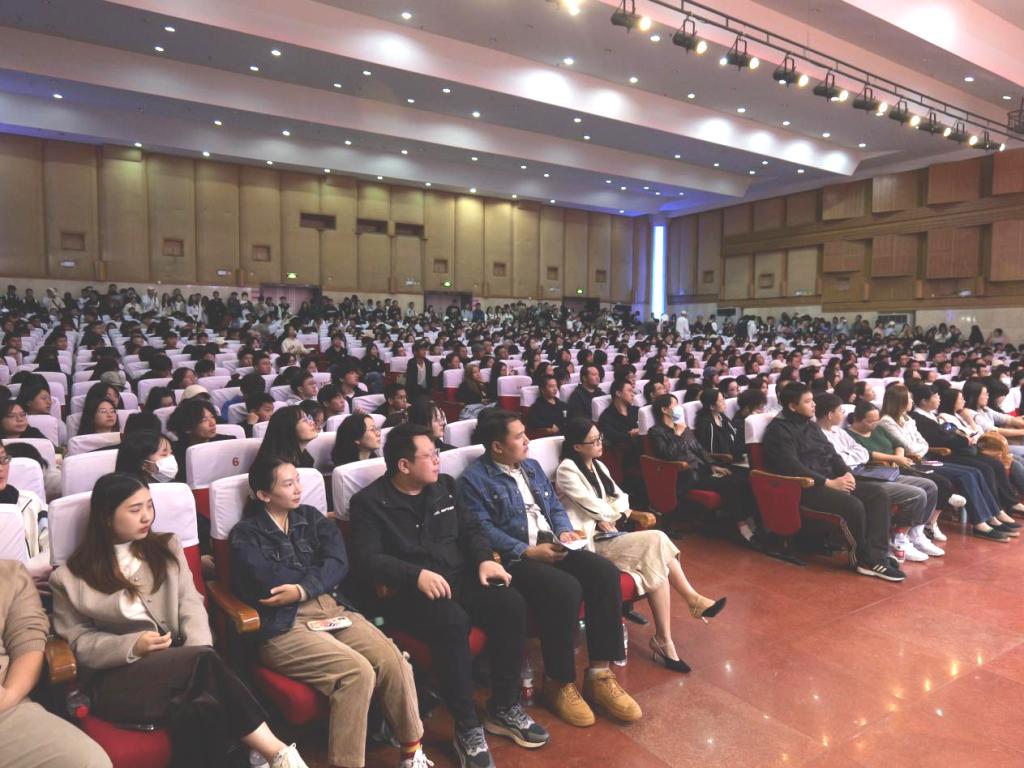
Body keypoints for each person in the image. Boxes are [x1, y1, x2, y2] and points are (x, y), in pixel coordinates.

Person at [50, 473, 307, 768]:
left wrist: (197, 651)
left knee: (201, 706)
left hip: (185, 666)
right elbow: (79, 642)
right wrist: (133, 645)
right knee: (205, 677)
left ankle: (270, 756)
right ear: (106, 517)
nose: (147, 516)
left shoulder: (167, 548)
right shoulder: (69, 578)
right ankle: (277, 753)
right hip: (116, 682)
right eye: (135, 509)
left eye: (149, 505)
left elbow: (191, 604)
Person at [351, 424, 547, 768]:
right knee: (452, 622)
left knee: (510, 603)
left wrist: (484, 559)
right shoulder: (368, 503)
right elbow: (369, 559)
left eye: (436, 453)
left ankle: (503, 706)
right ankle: (467, 727)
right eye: (429, 456)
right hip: (408, 591)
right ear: (404, 465)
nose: (437, 460)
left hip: (457, 577)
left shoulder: (446, 487)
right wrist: (415, 575)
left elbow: (472, 531)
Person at [231, 458, 430, 768]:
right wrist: (317, 577)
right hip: (285, 623)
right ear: (263, 495)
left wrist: (303, 588)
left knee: (393, 660)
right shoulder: (246, 534)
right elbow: (267, 581)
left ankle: (411, 751)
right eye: (288, 484)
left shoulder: (311, 518)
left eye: (297, 480)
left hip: (331, 606)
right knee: (357, 672)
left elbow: (338, 562)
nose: (298, 489)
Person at [459, 410, 642, 727]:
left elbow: (554, 507)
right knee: (564, 589)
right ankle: (559, 682)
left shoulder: (531, 467)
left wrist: (565, 531)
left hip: (554, 544)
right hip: (516, 557)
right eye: (518, 436)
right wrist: (527, 550)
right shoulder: (473, 480)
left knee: (604, 574)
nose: (527, 440)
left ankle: (599, 674)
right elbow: (482, 529)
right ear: (497, 446)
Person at [555, 418, 725, 674]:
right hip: (588, 543)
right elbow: (595, 506)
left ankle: (666, 637)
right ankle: (690, 603)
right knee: (657, 539)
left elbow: (622, 498)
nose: (600, 443)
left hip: (610, 535)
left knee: (656, 556)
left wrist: (611, 511)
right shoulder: (567, 470)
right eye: (594, 440)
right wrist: (609, 513)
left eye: (600, 437)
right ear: (577, 446)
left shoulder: (598, 465)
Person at [762, 383, 904, 581]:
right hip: (806, 487)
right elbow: (791, 466)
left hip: (831, 479)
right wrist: (828, 483)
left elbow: (831, 453)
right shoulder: (778, 430)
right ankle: (863, 560)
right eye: (808, 402)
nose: (814, 405)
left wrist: (847, 473)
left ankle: (877, 555)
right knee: (853, 505)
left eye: (812, 400)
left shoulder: (810, 425)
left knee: (878, 494)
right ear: (792, 406)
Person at [0, 559, 113, 768]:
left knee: (88, 762)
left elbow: (28, 640)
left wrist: (9, 696)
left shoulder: (10, 574)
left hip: (6, 711)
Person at [815, 394, 943, 562]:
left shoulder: (838, 432)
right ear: (830, 414)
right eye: (840, 410)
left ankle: (915, 534)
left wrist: (852, 455)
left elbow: (862, 452)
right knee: (917, 494)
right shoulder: (818, 434)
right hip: (855, 476)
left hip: (870, 469)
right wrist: (852, 455)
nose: (843, 414)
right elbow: (840, 460)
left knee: (929, 486)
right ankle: (898, 538)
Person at [877, 383, 1003, 542]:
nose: (912, 402)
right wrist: (920, 450)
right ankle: (979, 523)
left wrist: (920, 449)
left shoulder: (907, 419)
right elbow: (909, 447)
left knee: (973, 472)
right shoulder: (887, 422)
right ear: (899, 401)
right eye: (909, 399)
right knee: (960, 477)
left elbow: (923, 443)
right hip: (912, 462)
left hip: (924, 457)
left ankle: (991, 515)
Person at [648, 394, 759, 541]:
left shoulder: (682, 426)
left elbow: (699, 449)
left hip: (702, 468)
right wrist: (678, 435)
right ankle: (742, 525)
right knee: (731, 484)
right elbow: (668, 455)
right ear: (664, 409)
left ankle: (751, 521)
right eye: (675, 405)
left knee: (742, 480)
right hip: (686, 473)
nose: (679, 408)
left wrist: (712, 464)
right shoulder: (656, 431)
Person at [166, 399, 233, 481]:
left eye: (212, 417)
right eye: (204, 420)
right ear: (187, 428)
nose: (212, 423)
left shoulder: (228, 443)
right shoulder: (175, 454)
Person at [254, 405, 320, 469]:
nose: (312, 422)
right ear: (289, 428)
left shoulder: (305, 458)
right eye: (305, 420)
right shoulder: (276, 466)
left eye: (309, 418)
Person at [693, 387, 744, 463]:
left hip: (734, 457)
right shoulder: (705, 424)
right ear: (712, 406)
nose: (724, 403)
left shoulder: (722, 417)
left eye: (723, 399)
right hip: (719, 462)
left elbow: (734, 436)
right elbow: (706, 450)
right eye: (720, 401)